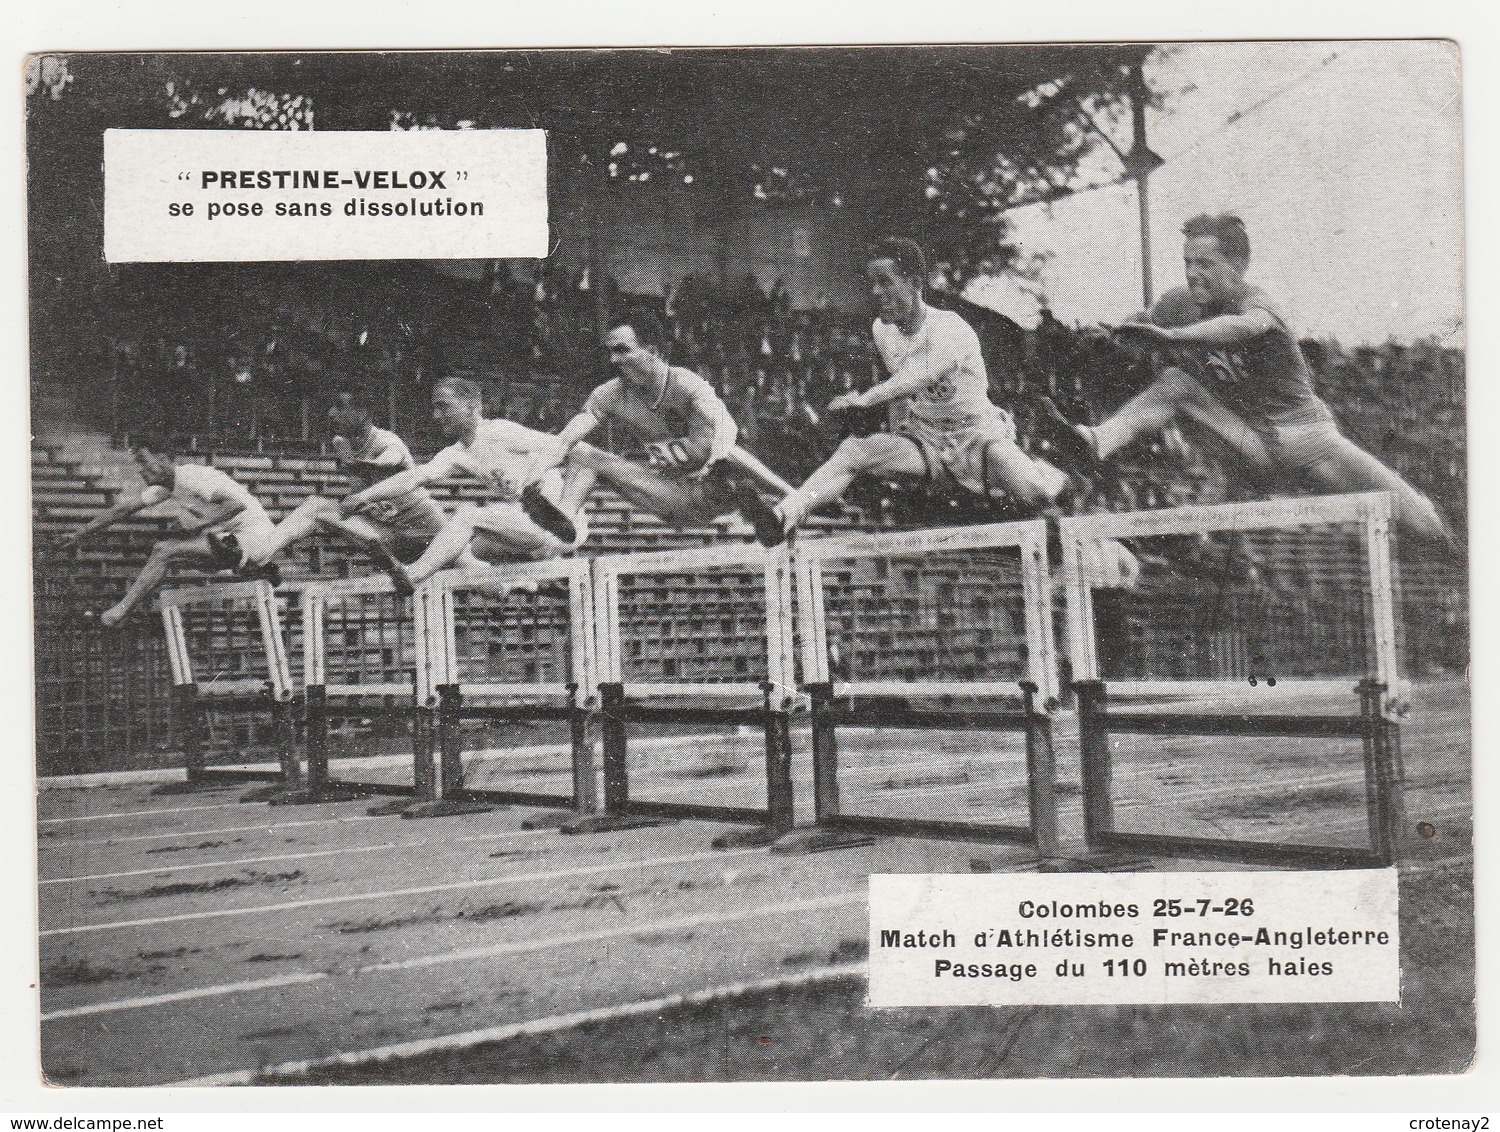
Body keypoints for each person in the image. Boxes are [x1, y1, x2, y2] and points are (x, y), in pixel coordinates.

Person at [1035, 212, 1452, 547]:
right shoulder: (1178, 304)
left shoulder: (1256, 304)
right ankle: (1093, 442)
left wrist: (1174, 337)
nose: (1193, 274)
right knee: (1176, 383)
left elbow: (1243, 328)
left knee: (1421, 521)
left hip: (1307, 440)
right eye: (1187, 263)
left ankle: (1464, 568)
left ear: (1238, 266)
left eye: (1206, 264)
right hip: (1247, 440)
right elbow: (1139, 325)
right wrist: (1112, 334)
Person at [759, 237, 1068, 545]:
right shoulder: (882, 330)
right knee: (854, 451)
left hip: (978, 439)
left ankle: (1066, 512)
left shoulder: (950, 328)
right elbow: (902, 394)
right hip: (927, 441)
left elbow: (918, 377)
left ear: (914, 283)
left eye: (885, 282)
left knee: (1039, 497)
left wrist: (864, 399)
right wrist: (898, 436)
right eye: (872, 283)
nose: (876, 292)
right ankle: (784, 515)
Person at [543, 312, 791, 546]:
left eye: (621, 351)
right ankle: (559, 525)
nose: (613, 360)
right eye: (610, 352)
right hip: (665, 491)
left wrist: (794, 495)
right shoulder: (610, 393)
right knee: (580, 452)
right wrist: (537, 463)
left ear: (651, 351)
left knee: (729, 460)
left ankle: (770, 508)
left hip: (710, 490)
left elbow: (728, 442)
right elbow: (568, 436)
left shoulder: (688, 385)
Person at [339, 376, 578, 593]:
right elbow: (414, 477)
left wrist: (538, 475)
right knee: (457, 552)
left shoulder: (500, 431)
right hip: (526, 529)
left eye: (443, 406)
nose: (436, 416)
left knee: (465, 517)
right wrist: (365, 496)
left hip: (559, 523)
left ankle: (414, 574)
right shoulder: (456, 454)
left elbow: (562, 446)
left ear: (471, 407)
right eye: (434, 408)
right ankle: (528, 584)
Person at [57, 446, 281, 627]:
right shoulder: (167, 486)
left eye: (145, 462)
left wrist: (196, 523)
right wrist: (79, 534)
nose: (141, 471)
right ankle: (258, 568)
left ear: (164, 459)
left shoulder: (191, 477)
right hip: (231, 539)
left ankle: (117, 614)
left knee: (164, 550)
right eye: (138, 466)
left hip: (255, 536)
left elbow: (235, 505)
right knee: (172, 552)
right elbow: (122, 510)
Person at [257, 391, 457, 585]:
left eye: (340, 407)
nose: (331, 413)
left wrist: (373, 465)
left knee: (473, 575)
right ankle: (258, 555)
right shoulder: (340, 444)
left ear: (363, 413)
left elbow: (391, 458)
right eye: (331, 407)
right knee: (314, 505)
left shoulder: (387, 441)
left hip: (426, 531)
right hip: (387, 533)